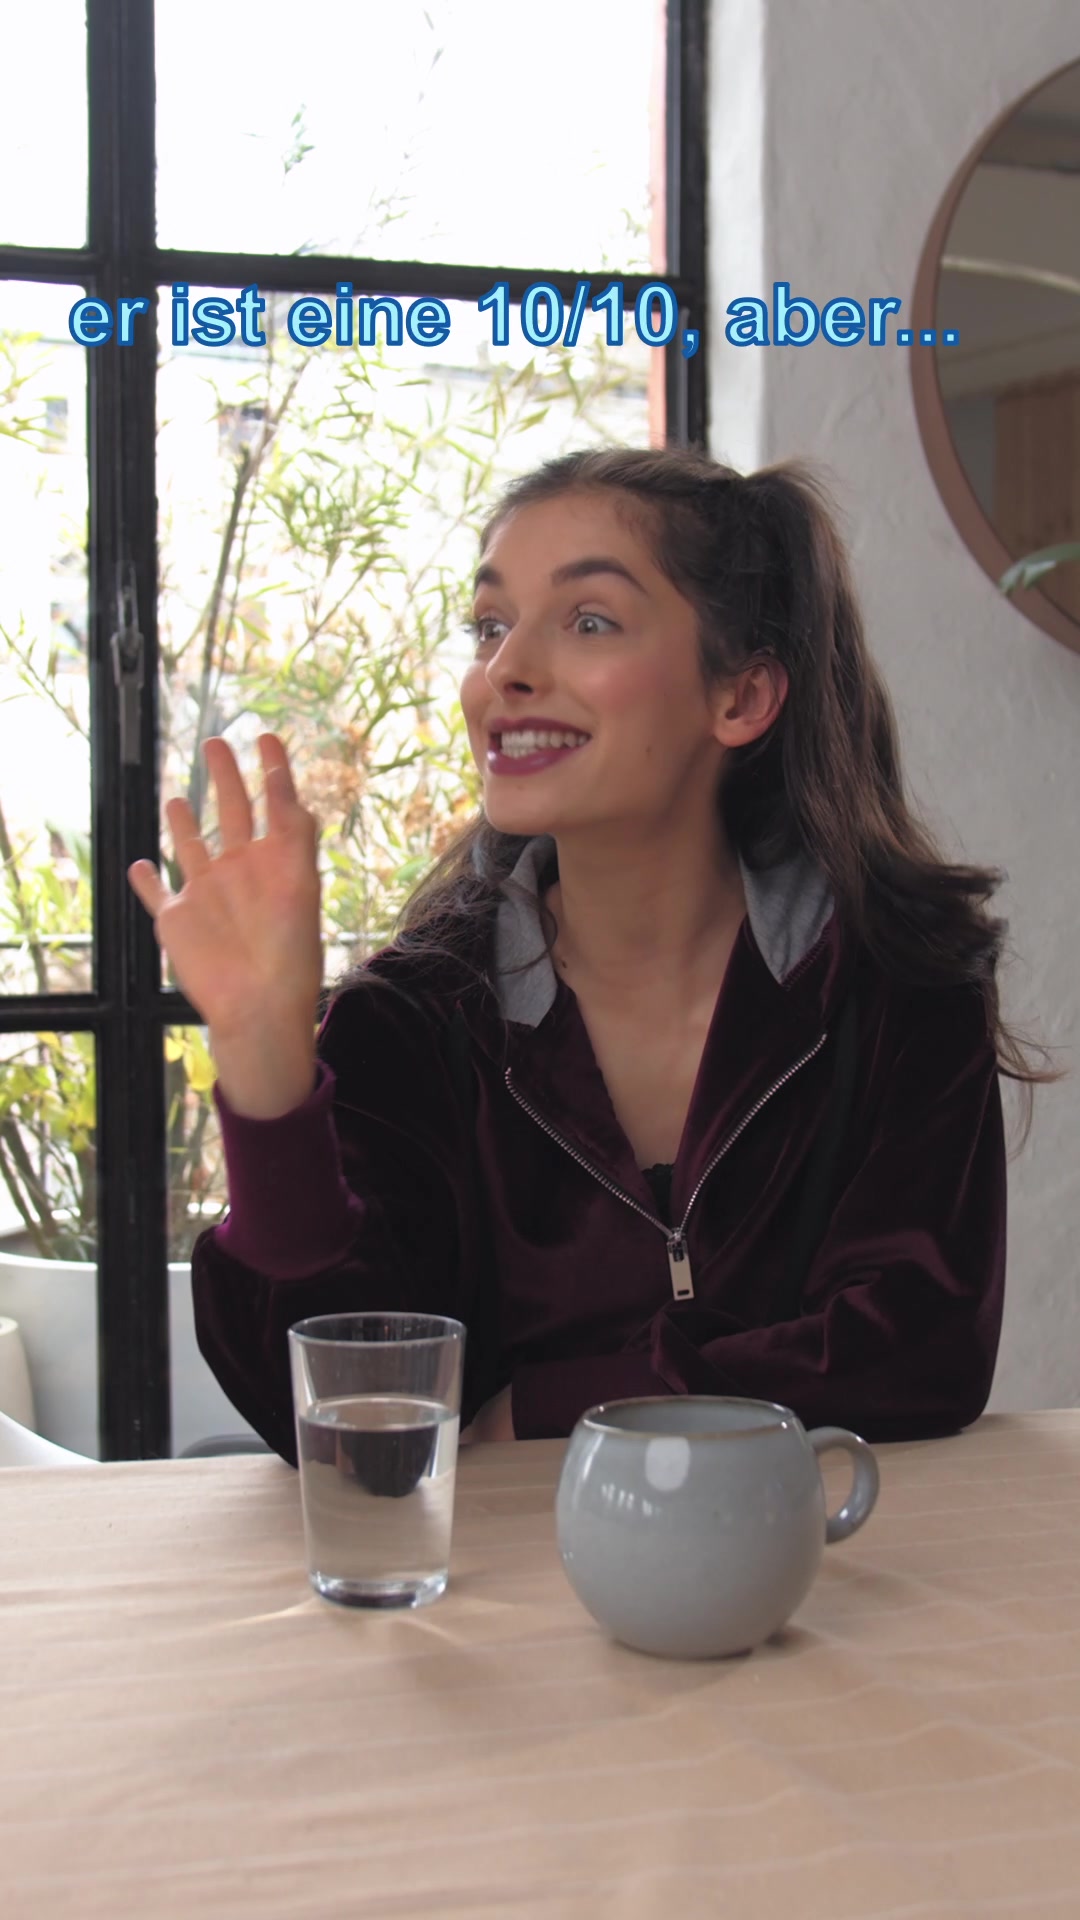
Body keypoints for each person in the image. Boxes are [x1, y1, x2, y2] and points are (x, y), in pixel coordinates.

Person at [127, 444, 1062, 1465]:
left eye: (588, 621)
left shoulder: (897, 986)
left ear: (741, 698)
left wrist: (555, 1406)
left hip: (827, 1550)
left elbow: (919, 1346)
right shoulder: (411, 1022)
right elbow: (337, 1410)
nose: (505, 672)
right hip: (502, 1564)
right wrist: (265, 1063)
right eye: (491, 625)